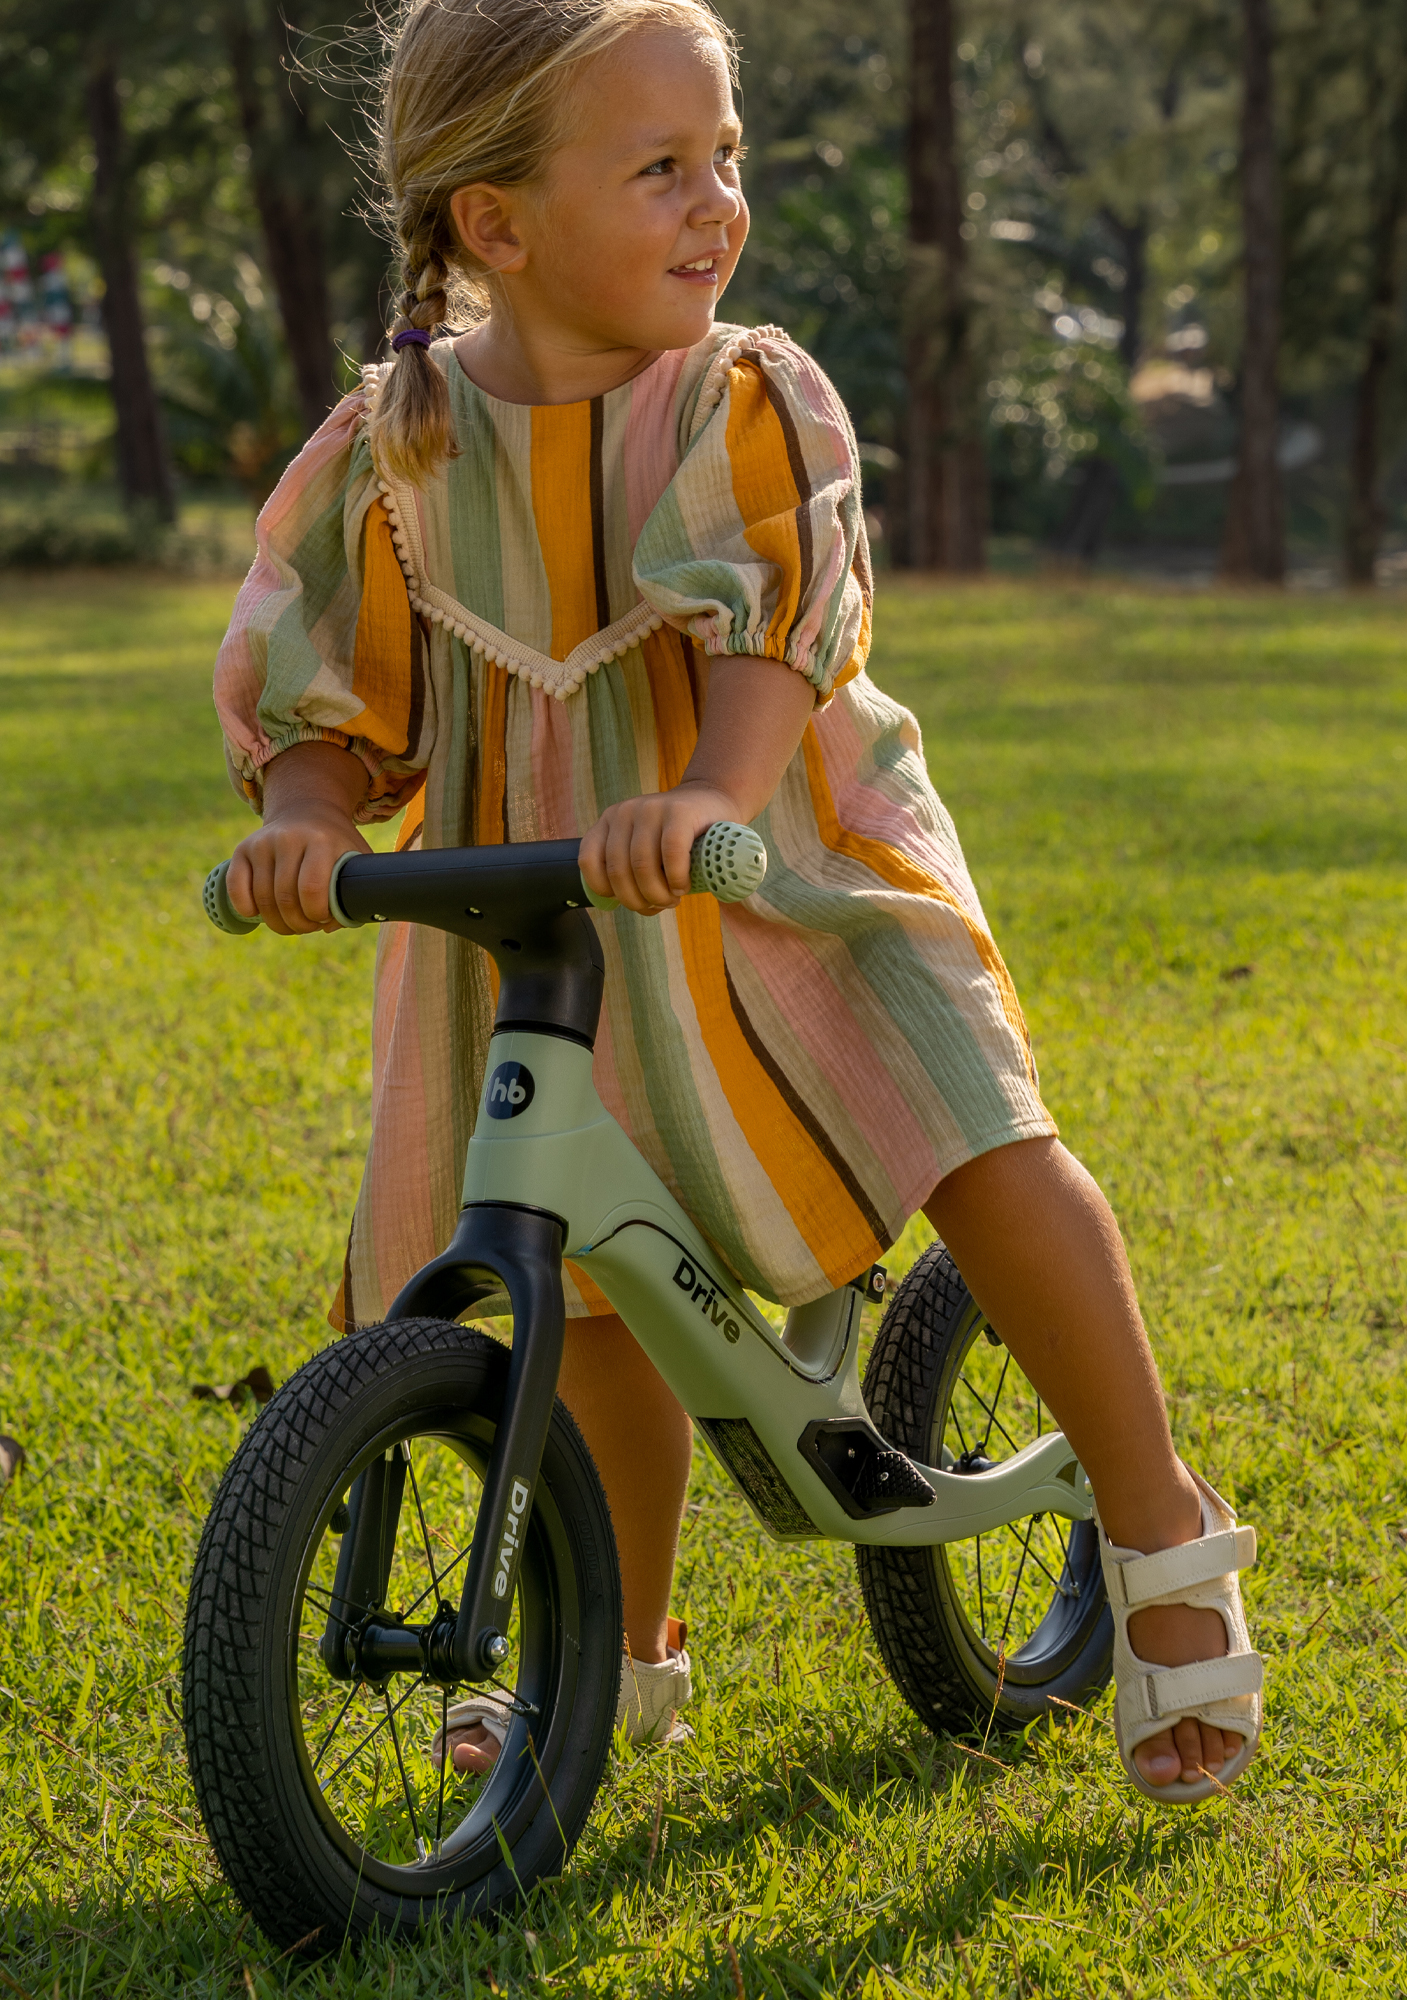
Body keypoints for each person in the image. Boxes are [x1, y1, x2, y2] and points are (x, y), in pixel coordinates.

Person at [212, 0, 1260, 1803]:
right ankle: (611, 1649)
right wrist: (308, 815)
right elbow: (330, 683)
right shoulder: (394, 446)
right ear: (497, 222)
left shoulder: (738, 394)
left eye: (728, 159)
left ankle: (1163, 1545)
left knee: (968, 1127)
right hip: (545, 904)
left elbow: (772, 620)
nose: (721, 205)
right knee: (589, 1272)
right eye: (663, 169)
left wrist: (703, 783)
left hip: (780, 861)